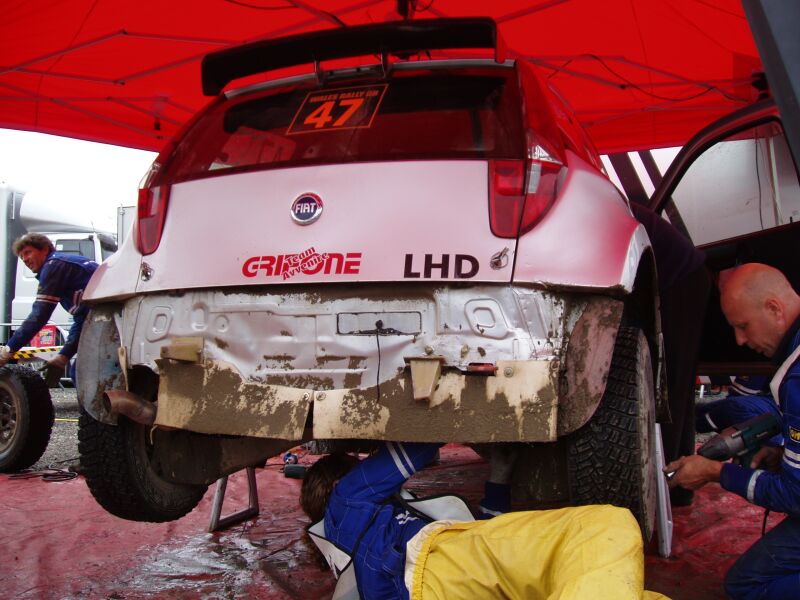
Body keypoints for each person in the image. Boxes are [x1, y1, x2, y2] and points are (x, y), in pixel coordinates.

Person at [301, 442, 664, 600]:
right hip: (436, 568)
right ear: (336, 483)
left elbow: (485, 537)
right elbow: (417, 448)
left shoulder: (355, 535)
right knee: (604, 527)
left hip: (438, 582)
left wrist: (500, 476)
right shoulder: (345, 497)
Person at [665, 263, 800, 599]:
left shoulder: (796, 378)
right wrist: (786, 454)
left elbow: (795, 496)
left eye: (743, 326)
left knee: (748, 585)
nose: (740, 340)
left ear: (773, 308)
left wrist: (716, 472)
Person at [630, 203, 712, 505]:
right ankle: (677, 485)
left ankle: (664, 486)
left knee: (667, 389)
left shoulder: (591, 200)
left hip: (679, 282)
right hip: (682, 278)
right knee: (676, 393)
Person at [0, 233, 98, 382]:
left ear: (45, 249)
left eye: (27, 252)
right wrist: (63, 357)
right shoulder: (64, 268)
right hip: (109, 320)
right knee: (81, 372)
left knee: (83, 373)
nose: (25, 259)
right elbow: (83, 319)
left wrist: (8, 350)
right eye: (21, 257)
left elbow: (39, 316)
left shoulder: (54, 265)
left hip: (110, 321)